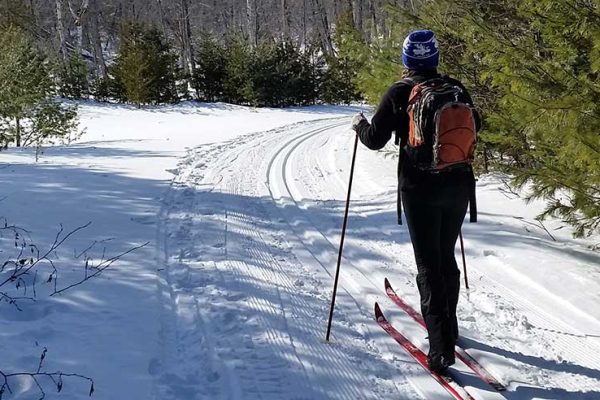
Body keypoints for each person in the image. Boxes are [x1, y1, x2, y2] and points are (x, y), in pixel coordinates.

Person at [351, 29, 480, 373]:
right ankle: (448, 330)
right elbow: (475, 127)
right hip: (458, 185)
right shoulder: (454, 88)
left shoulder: (400, 91)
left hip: (420, 188)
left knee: (429, 266)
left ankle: (440, 351)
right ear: (435, 58)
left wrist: (359, 125)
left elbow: (375, 139)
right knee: (445, 257)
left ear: (407, 59)